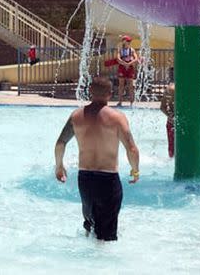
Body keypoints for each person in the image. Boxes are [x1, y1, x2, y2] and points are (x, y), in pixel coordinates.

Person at [54, 77, 140, 242]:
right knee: (106, 237)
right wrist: (135, 170)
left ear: (90, 92)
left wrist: (59, 166)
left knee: (90, 224)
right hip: (108, 180)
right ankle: (103, 267)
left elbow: (60, 143)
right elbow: (132, 149)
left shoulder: (77, 116)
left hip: (85, 178)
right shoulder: (117, 118)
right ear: (110, 94)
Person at [116, 36, 138, 107]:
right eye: (125, 41)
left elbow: (136, 58)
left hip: (129, 67)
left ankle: (132, 101)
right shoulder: (120, 50)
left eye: (127, 41)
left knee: (130, 85)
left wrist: (129, 64)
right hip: (122, 67)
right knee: (121, 85)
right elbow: (118, 59)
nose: (126, 42)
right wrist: (125, 63)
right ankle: (120, 101)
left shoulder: (132, 50)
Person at [160, 83, 176, 158]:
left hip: (173, 121)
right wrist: (170, 116)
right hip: (172, 122)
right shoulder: (171, 89)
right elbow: (162, 107)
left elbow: (162, 107)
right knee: (172, 147)